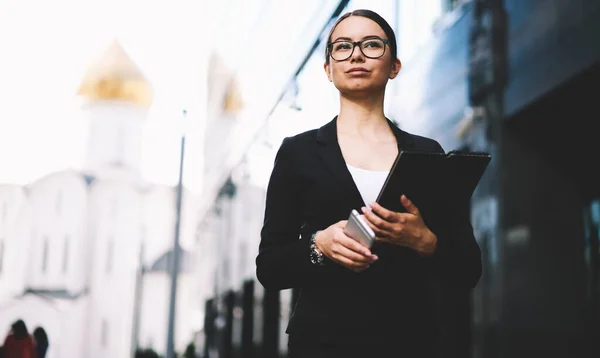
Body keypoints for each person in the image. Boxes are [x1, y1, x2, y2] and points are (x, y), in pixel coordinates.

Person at [255, 9, 482, 358]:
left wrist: (424, 240)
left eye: (372, 45)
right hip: (322, 344)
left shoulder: (426, 153)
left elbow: (468, 268)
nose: (357, 54)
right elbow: (269, 266)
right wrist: (319, 245)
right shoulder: (297, 152)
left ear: (395, 66)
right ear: (328, 70)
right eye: (342, 47)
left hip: (410, 340)